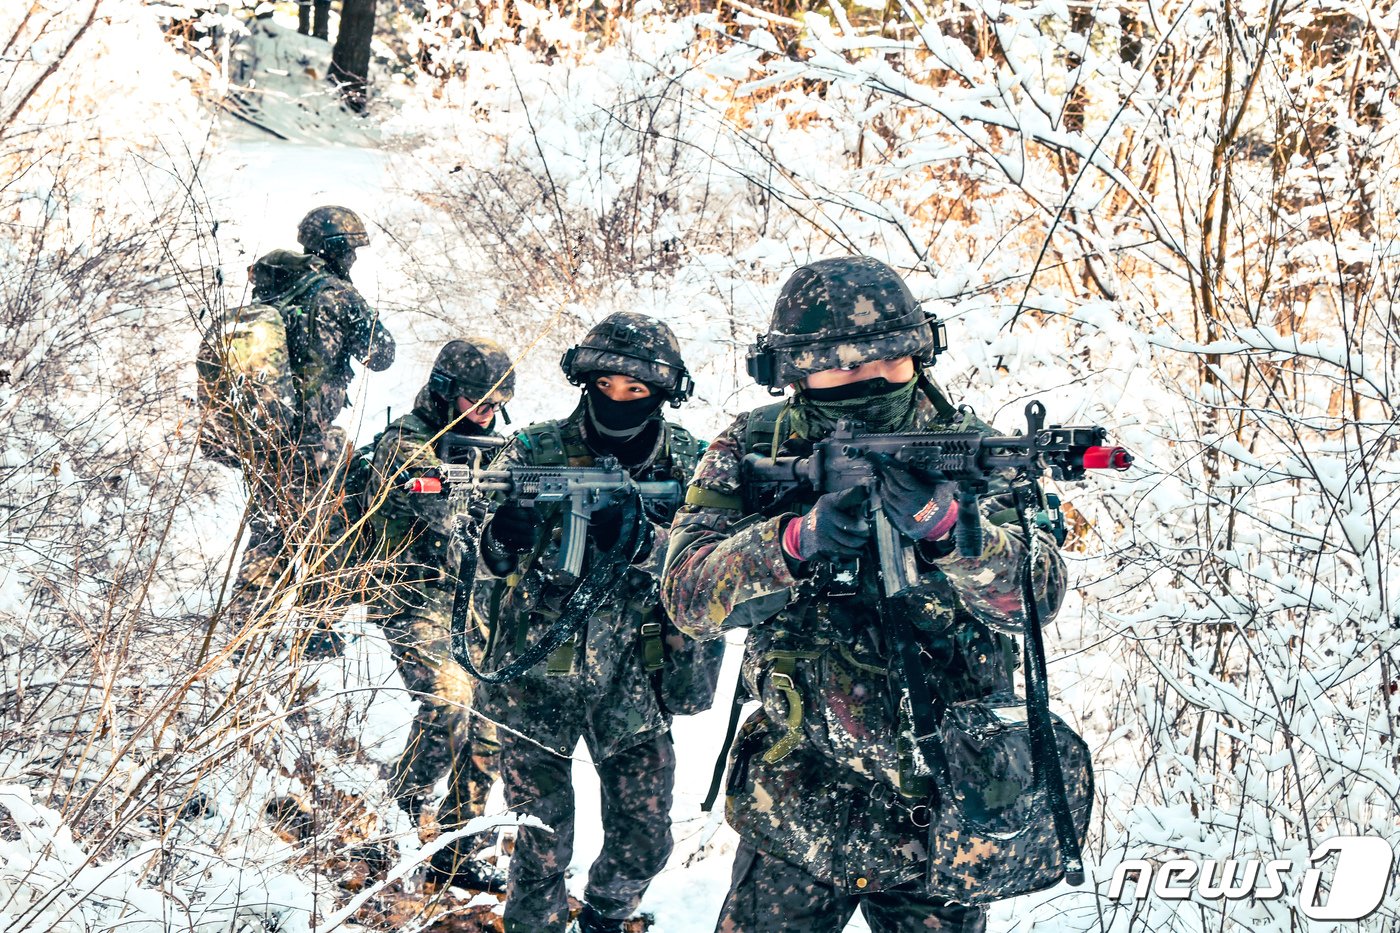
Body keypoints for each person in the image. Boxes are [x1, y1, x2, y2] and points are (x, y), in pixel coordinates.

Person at [660, 257, 1067, 933]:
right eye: (840, 368)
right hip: (796, 800)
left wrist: (952, 536)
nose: (867, 380)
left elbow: (1039, 595)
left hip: (946, 804)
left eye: (886, 362)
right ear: (793, 375)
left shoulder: (972, 451)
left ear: (919, 353)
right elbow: (685, 595)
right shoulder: (752, 446)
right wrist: (791, 541)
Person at [470, 313, 711, 933]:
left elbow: (714, 564)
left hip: (635, 676)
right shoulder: (534, 450)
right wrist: (502, 535)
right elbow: (476, 558)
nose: (619, 400)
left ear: (661, 392)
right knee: (540, 848)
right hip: (536, 676)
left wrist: (642, 541)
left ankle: (605, 917)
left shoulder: (690, 460)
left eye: (636, 391)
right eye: (606, 385)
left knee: (644, 839)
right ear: (585, 380)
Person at [362, 338, 515, 890]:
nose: (487, 412)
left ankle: (459, 846)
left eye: (497, 403)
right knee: (449, 702)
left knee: (491, 716)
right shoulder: (405, 440)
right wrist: (490, 488)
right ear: (447, 389)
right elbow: (442, 510)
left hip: (471, 598)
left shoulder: (497, 443)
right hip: (409, 594)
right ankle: (401, 812)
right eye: (478, 399)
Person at [225, 205, 395, 637]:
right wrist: (351, 299)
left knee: (270, 530)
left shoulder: (274, 290)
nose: (354, 259)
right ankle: (315, 632)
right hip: (309, 441)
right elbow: (382, 354)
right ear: (336, 249)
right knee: (331, 533)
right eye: (351, 250)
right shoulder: (336, 294)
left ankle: (242, 631)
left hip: (266, 438)